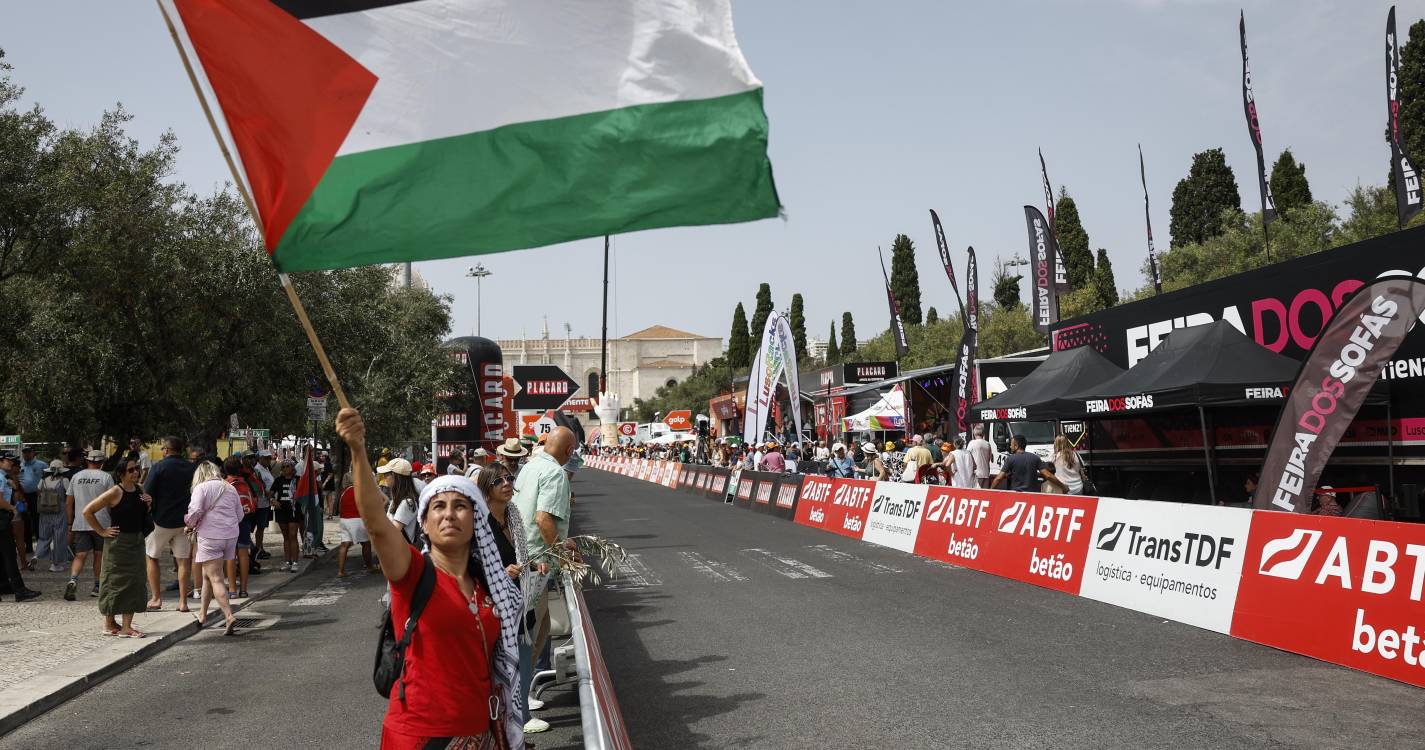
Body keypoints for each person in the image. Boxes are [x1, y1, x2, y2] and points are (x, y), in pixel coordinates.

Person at [335, 406, 524, 750]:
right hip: (420, 736)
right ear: (423, 522)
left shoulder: (487, 584)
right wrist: (358, 450)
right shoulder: (413, 573)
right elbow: (376, 523)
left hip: (480, 732)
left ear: (476, 520)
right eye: (438, 506)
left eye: (460, 506)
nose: (449, 513)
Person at [512, 426, 577, 736]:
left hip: (524, 558)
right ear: (567, 452)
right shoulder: (555, 475)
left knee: (540, 632)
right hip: (537, 566)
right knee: (530, 638)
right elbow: (543, 519)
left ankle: (523, 696)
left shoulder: (529, 467)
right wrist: (563, 558)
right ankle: (519, 711)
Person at [85, 459, 151, 636]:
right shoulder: (115, 491)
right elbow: (88, 511)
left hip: (136, 541)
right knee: (113, 581)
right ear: (121, 473)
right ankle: (115, 625)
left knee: (135, 581)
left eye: (136, 469)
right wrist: (101, 531)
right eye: (131, 470)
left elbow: (141, 514)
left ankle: (122, 626)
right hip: (118, 543)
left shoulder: (139, 489)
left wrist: (148, 503)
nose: (135, 472)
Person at [143, 436, 196, 611]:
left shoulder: (159, 466)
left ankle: (156, 598)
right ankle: (183, 602)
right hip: (184, 520)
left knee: (152, 556)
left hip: (161, 519)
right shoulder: (191, 467)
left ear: (166, 450)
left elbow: (147, 492)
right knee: (183, 561)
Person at [187, 459, 241, 634]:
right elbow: (239, 514)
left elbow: (194, 512)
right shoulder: (230, 487)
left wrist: (189, 523)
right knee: (207, 575)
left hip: (210, 536)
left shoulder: (200, 488)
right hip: (230, 535)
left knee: (216, 577)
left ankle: (228, 616)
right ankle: (202, 613)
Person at [65, 449, 112, 600]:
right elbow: (112, 501)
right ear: (102, 462)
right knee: (99, 555)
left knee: (80, 555)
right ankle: (97, 586)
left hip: (80, 522)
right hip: (101, 523)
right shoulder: (106, 477)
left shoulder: (76, 477)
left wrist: (70, 523)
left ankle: (73, 579)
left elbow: (68, 503)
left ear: (87, 461)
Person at [0, 451, 39, 600]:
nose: (12, 463)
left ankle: (3, 585)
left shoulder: (4, 477)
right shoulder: (1, 477)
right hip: (2, 519)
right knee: (9, 555)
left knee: (2, 556)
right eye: (9, 460)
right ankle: (20, 590)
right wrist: (12, 508)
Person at [992, 435, 1067, 493]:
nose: (1010, 446)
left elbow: (999, 478)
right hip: (1032, 495)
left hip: (1016, 494)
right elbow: (1048, 475)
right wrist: (1063, 487)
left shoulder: (1010, 459)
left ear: (1016, 446)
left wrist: (989, 491)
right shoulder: (1035, 458)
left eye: (1011, 444)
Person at [34, 460, 72, 572]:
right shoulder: (64, 480)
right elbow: (69, 494)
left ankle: (37, 555)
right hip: (59, 512)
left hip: (45, 511)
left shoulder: (43, 480)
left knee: (44, 536)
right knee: (59, 537)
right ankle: (56, 564)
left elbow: (38, 491)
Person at [336, 472, 375, 578]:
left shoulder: (343, 492)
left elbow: (339, 508)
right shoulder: (359, 490)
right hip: (357, 519)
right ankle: (369, 566)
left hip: (344, 520)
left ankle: (340, 571)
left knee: (344, 545)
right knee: (366, 544)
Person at [269, 460, 301, 571]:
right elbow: (270, 493)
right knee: (286, 536)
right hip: (281, 510)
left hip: (294, 510)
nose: (285, 468)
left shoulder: (298, 480)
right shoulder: (278, 480)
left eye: (288, 466)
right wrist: (273, 501)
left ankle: (295, 562)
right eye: (283, 467)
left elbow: (305, 494)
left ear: (293, 468)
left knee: (293, 535)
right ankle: (287, 561)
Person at [18, 445, 46, 561]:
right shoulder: (20, 466)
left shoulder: (42, 465)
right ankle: (28, 545)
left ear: (33, 453)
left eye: (28, 452)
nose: (26, 454)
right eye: (24, 452)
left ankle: (41, 547)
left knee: (37, 519)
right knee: (24, 520)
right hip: (22, 497)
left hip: (36, 496)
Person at [252, 450, 276, 560]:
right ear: (260, 458)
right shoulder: (257, 470)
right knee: (260, 528)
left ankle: (260, 547)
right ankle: (258, 549)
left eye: (269, 458)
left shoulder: (266, 469)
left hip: (266, 504)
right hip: (260, 504)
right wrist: (270, 497)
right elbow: (260, 488)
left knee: (262, 528)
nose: (268, 460)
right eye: (266, 458)